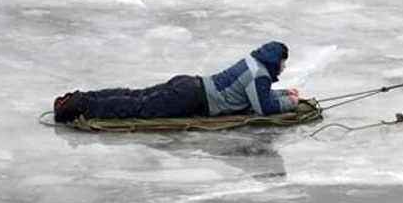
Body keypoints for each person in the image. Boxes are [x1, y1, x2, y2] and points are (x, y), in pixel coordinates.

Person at [53, 41, 302, 122]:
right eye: (283, 62)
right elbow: (263, 107)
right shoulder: (259, 75)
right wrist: (291, 103)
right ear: (275, 61)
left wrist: (285, 94)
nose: (284, 66)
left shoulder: (253, 63)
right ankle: (80, 106)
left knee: (134, 96)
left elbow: (259, 95)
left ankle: (81, 98)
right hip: (192, 99)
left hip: (190, 85)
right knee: (136, 106)